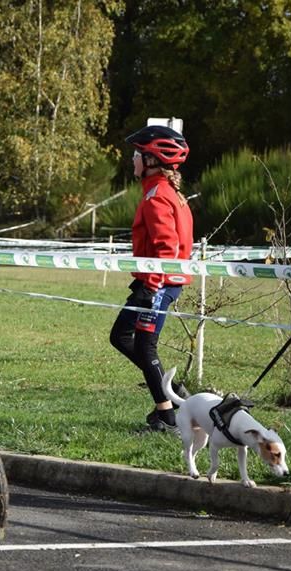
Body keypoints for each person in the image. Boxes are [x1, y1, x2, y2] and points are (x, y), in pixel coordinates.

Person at [109, 125, 193, 433]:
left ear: (151, 161)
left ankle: (168, 416)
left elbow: (166, 247)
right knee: (123, 337)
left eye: (136, 155)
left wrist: (152, 287)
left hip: (160, 283)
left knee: (143, 346)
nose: (132, 160)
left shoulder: (157, 196)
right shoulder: (165, 192)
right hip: (160, 282)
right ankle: (173, 394)